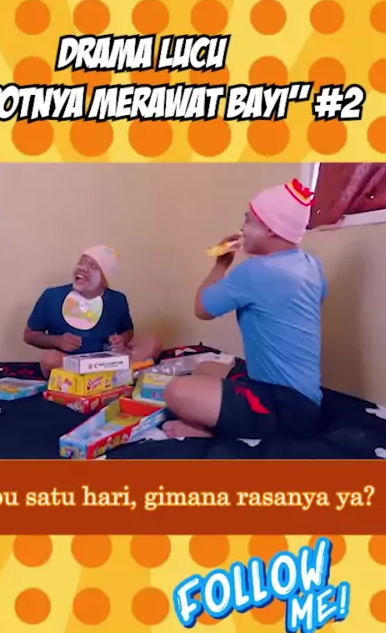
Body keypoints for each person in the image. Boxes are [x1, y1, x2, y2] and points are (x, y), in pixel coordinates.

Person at [163, 178, 327, 441]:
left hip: (283, 407)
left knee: (176, 391)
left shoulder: (255, 271)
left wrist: (221, 264)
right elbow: (316, 298)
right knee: (205, 367)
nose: (242, 228)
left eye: (248, 220)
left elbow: (202, 309)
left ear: (271, 229)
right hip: (306, 400)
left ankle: (208, 430)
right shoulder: (311, 265)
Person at [24, 245, 161, 377]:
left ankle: (98, 376)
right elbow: (29, 335)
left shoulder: (117, 300)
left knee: (152, 342)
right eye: (82, 262)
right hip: (69, 362)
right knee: (50, 359)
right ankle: (109, 376)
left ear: (104, 280)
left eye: (94, 266)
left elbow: (128, 331)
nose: (83, 268)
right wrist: (57, 341)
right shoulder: (52, 296)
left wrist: (121, 340)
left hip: (104, 360)